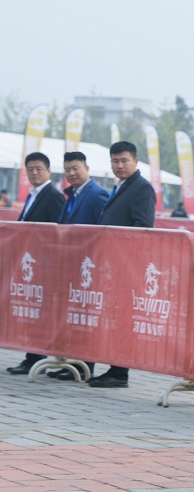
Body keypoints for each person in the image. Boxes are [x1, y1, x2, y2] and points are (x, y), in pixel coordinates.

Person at [89, 141, 156, 389]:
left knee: (123, 320)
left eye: (124, 160)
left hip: (127, 265)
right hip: (112, 265)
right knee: (114, 318)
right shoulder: (121, 186)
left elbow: (143, 227)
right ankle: (114, 367)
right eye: (115, 161)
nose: (119, 165)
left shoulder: (142, 188)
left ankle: (119, 372)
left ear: (135, 162)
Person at [45, 152, 111, 381]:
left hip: (88, 267)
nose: (72, 173)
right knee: (74, 316)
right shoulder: (72, 194)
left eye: (76, 168)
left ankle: (85, 366)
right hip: (70, 265)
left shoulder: (97, 194)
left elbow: (102, 230)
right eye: (67, 170)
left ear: (87, 168)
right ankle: (72, 363)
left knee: (85, 316)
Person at [7, 152, 66, 375]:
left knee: (40, 313)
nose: (34, 173)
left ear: (48, 171)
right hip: (29, 265)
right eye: (30, 169)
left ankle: (35, 357)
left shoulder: (53, 196)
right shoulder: (32, 195)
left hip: (45, 264)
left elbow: (59, 230)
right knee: (31, 311)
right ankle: (30, 356)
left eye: (39, 169)